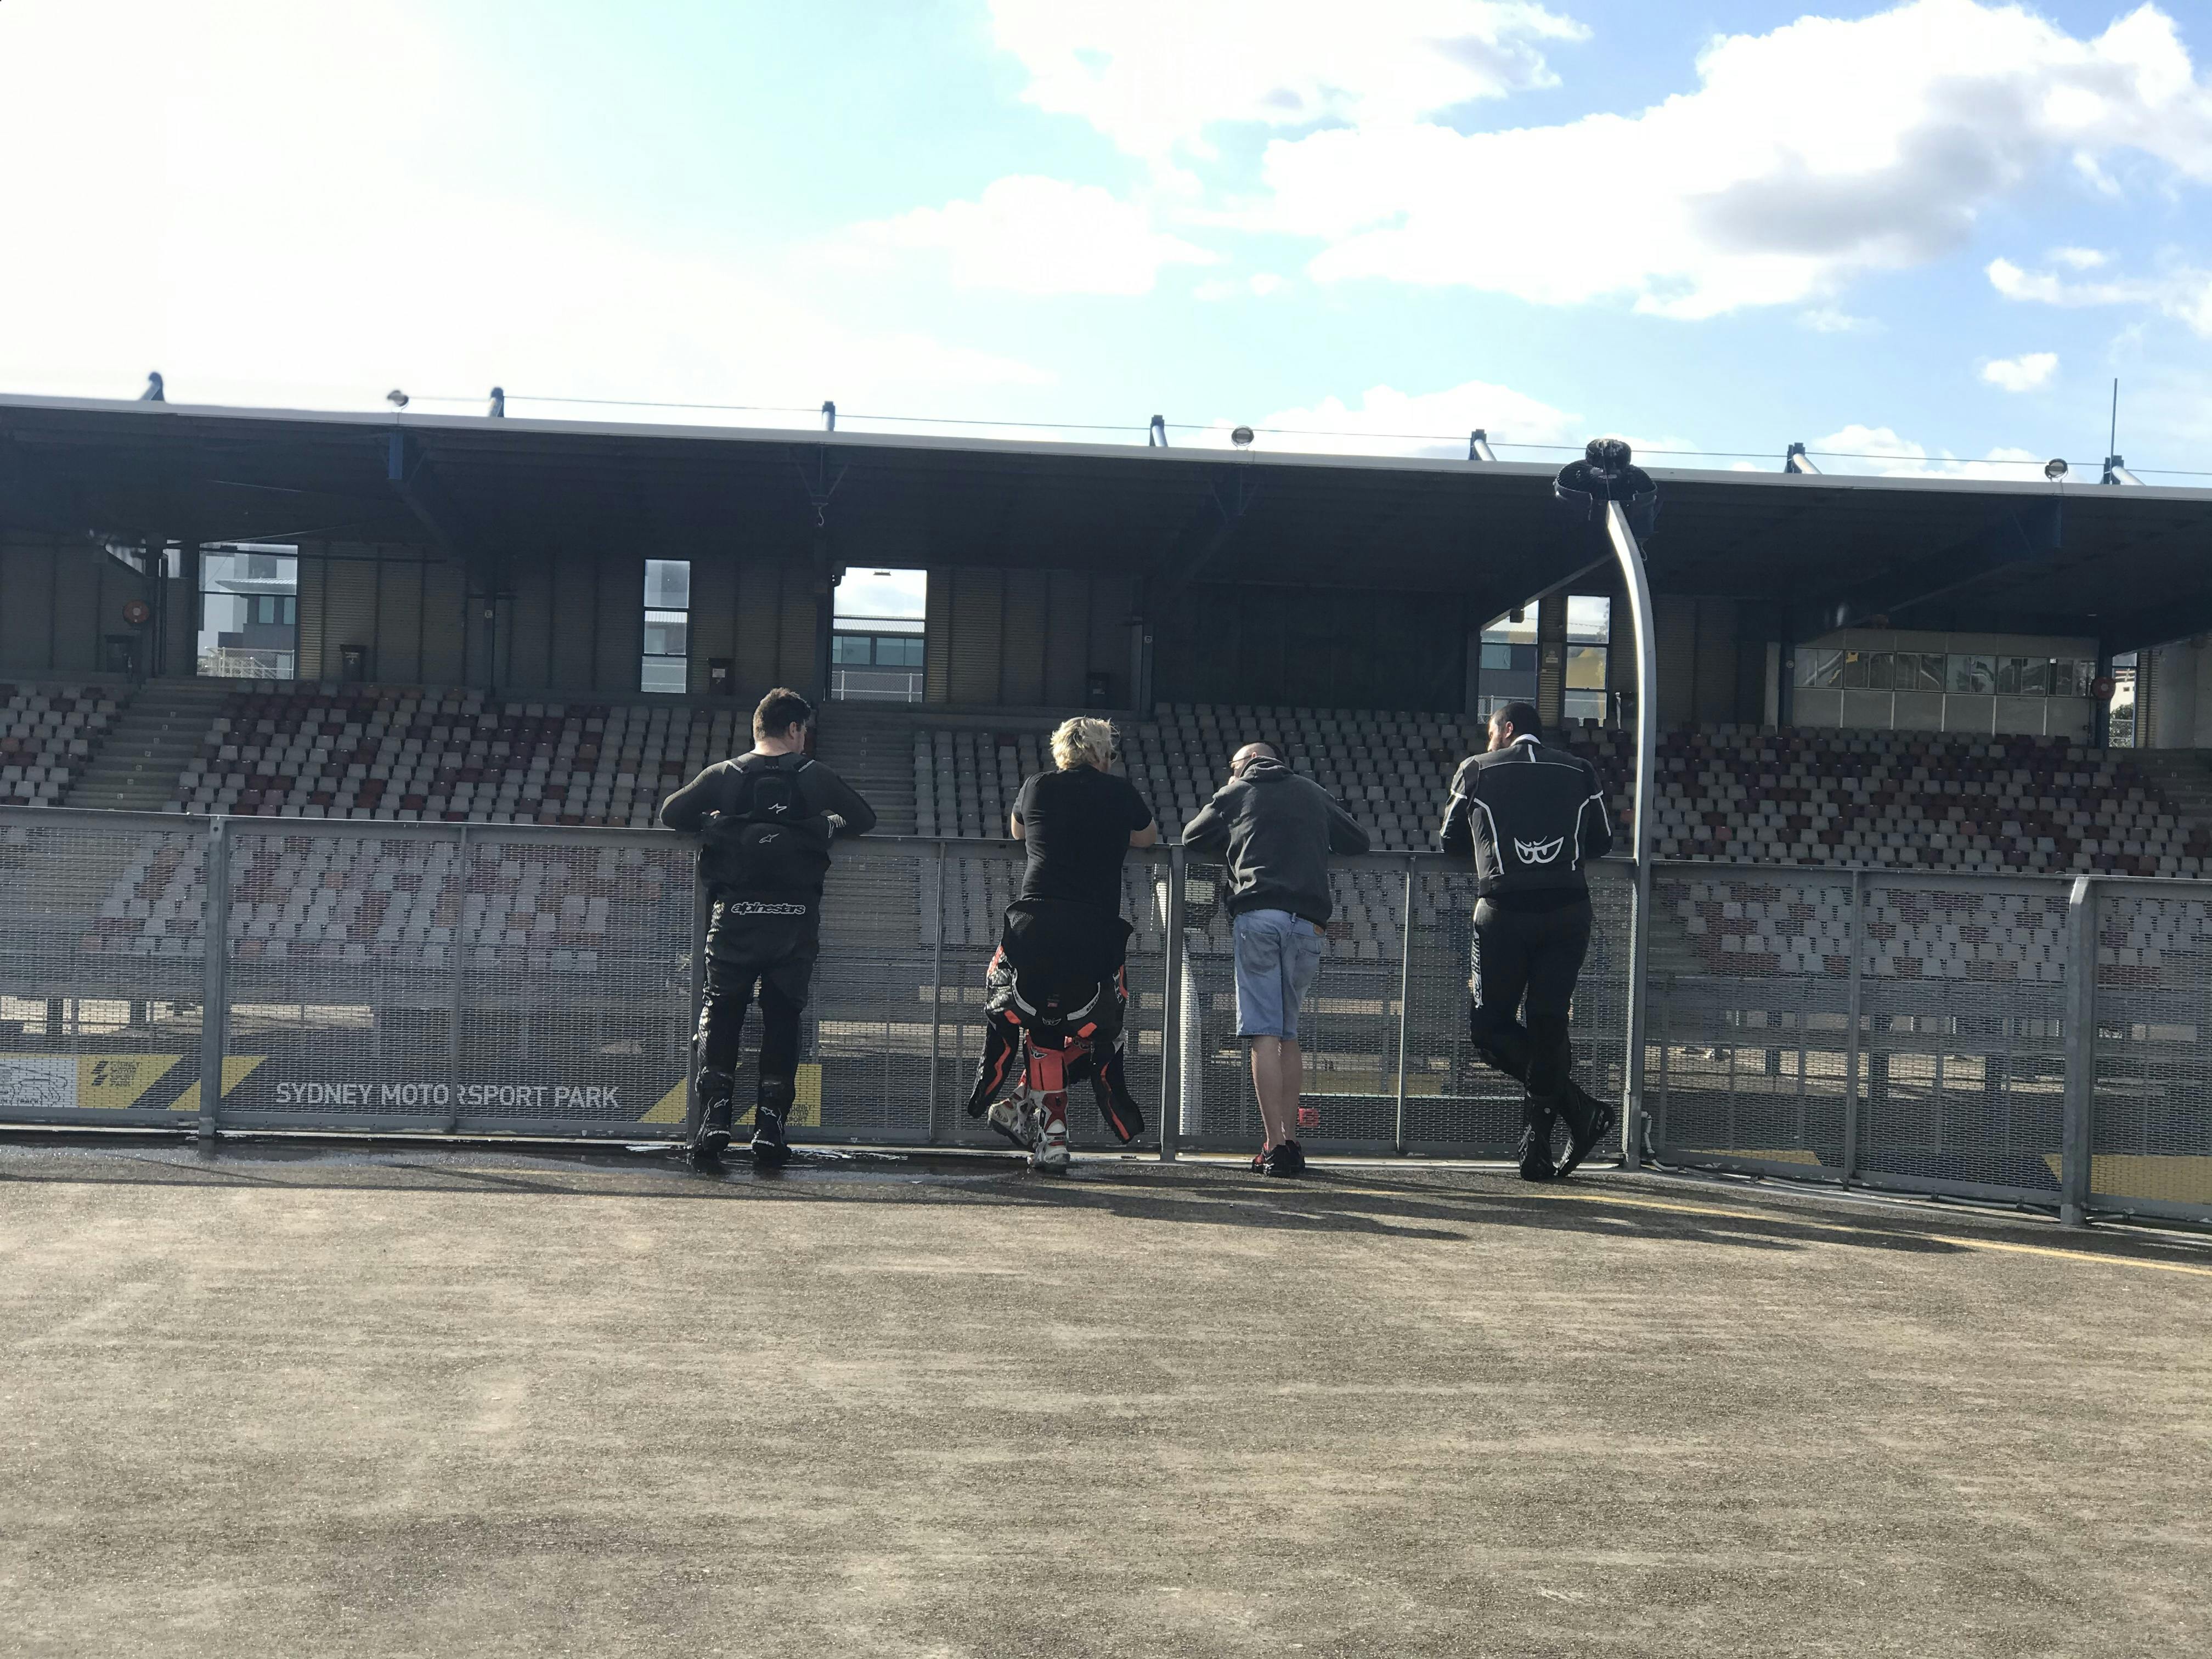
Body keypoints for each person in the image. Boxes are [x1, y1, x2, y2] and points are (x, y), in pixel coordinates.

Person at [659, 687, 876, 1167]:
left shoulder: (725, 775)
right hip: (794, 922)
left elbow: (671, 814)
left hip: (735, 918)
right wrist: (825, 823)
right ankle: (770, 1127)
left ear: (758, 728)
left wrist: (716, 822)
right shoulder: (814, 776)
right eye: (806, 733)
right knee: (783, 1017)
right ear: (795, 729)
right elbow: (864, 819)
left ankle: (714, 1119)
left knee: (723, 1010)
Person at [964, 715, 1155, 1170]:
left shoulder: (1037, 786)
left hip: (1035, 926)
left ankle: (1042, 1128)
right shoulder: (1120, 792)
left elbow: (1017, 833)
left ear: (1061, 751)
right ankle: (1033, 1119)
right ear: (1102, 752)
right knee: (1102, 1030)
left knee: (1043, 1025)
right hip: (1094, 932)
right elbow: (1147, 839)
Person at [1438, 699, 1617, 1181]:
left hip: (1505, 913)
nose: (1488, 740)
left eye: (1491, 732)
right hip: (1568, 911)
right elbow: (1602, 842)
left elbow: (1448, 839)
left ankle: (1576, 1114)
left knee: (1490, 1029)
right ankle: (1545, 1139)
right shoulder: (1579, 770)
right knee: (1548, 1023)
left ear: (1508, 729)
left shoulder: (1476, 770)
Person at [1181, 742, 1369, 1176]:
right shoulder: (1311, 791)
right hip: (1308, 924)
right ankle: (1293, 1140)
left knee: (1263, 1034)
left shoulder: (1236, 792)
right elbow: (1358, 840)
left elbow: (1193, 837)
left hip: (1259, 918)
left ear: (1243, 765)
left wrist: (1233, 803)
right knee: (1289, 1032)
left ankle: (1274, 1146)